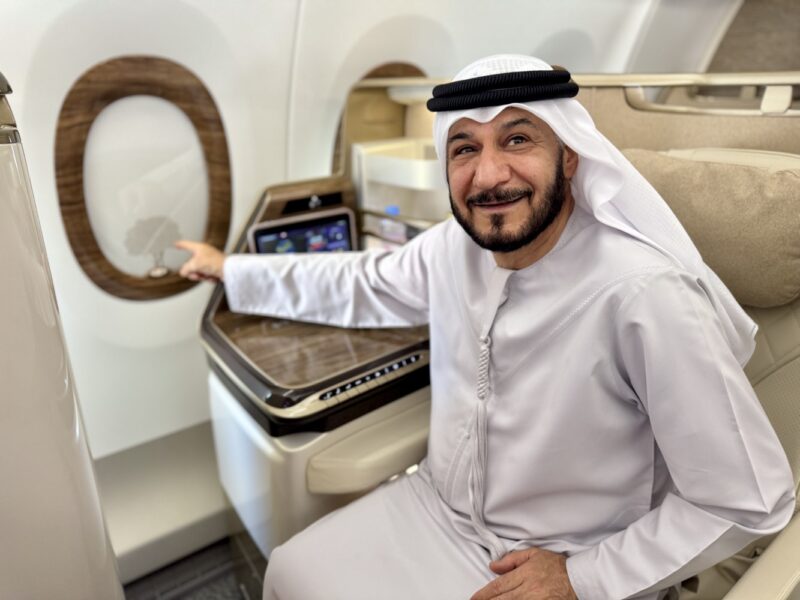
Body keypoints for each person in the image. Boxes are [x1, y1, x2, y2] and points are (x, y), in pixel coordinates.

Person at [177, 55, 795, 600]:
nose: (490, 174)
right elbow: (361, 282)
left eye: (518, 139)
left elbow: (750, 499)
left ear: (570, 156)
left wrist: (583, 580)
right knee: (290, 567)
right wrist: (231, 270)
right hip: (439, 511)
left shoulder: (643, 294)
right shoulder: (453, 247)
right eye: (465, 148)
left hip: (567, 559)